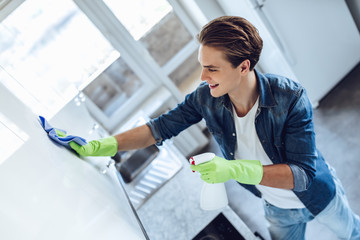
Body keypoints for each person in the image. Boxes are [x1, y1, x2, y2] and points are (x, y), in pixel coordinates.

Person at [69, 16, 360, 239]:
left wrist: (236, 170)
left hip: (321, 196)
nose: (203, 76)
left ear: (243, 67)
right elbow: (158, 128)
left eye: (212, 68)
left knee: (352, 233)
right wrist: (106, 144)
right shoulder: (205, 98)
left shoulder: (290, 98)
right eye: (202, 65)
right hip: (276, 208)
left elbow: (303, 175)